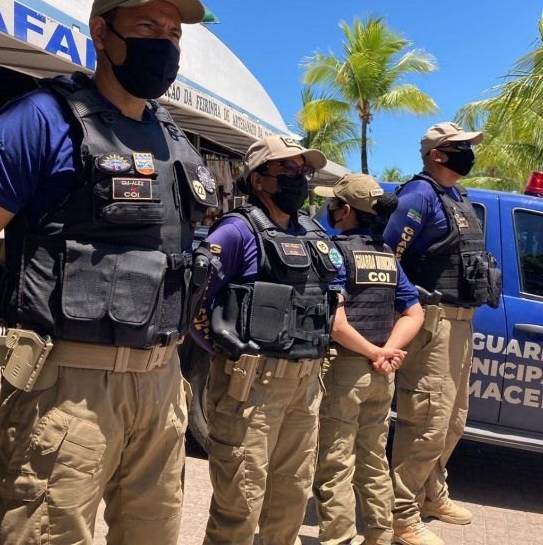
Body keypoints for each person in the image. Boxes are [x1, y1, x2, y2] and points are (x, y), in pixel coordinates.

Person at [0, 0, 216, 543]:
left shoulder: (173, 138)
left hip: (161, 383)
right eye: (147, 28)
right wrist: (26, 303)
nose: (165, 44)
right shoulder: (40, 119)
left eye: (173, 34)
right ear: (101, 34)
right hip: (67, 387)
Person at [193, 135, 339, 545]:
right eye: (288, 168)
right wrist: (225, 351)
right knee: (240, 506)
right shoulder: (237, 231)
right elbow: (193, 301)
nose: (299, 177)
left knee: (290, 501)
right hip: (252, 389)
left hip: (305, 387)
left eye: (303, 169)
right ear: (259, 179)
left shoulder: (311, 232)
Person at [383, 122, 501, 545]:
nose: (469, 152)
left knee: (452, 419)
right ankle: (399, 516)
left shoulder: (456, 196)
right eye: (460, 147)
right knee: (427, 422)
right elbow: (385, 255)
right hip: (432, 324)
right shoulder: (418, 195)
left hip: (461, 322)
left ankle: (432, 494)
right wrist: (411, 304)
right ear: (436, 154)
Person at [311, 174, 423, 545]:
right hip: (381, 375)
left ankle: (339, 540)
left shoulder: (336, 252)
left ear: (345, 211)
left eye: (333, 203)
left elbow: (337, 325)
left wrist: (376, 352)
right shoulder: (387, 256)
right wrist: (387, 352)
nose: (330, 209)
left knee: (335, 464)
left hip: (347, 370)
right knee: (374, 460)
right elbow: (415, 313)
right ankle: (379, 535)